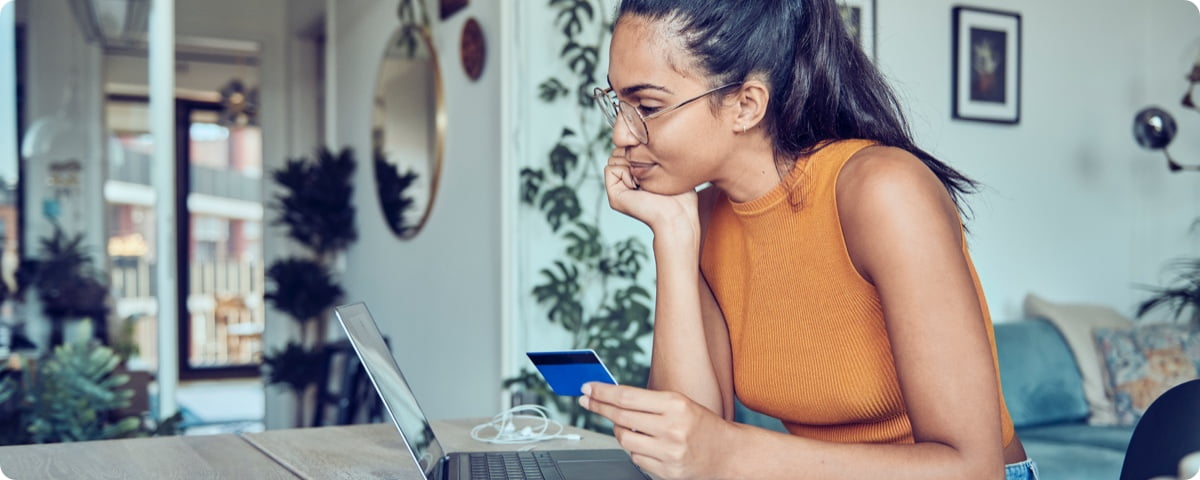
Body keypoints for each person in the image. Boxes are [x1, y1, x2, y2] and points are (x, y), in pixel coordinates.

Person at [578, 1, 1036, 479]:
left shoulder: (883, 192)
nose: (620, 133)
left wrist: (731, 453)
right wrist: (672, 234)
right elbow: (686, 452)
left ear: (746, 104)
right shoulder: (708, 216)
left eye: (647, 107)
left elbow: (974, 468)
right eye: (617, 103)